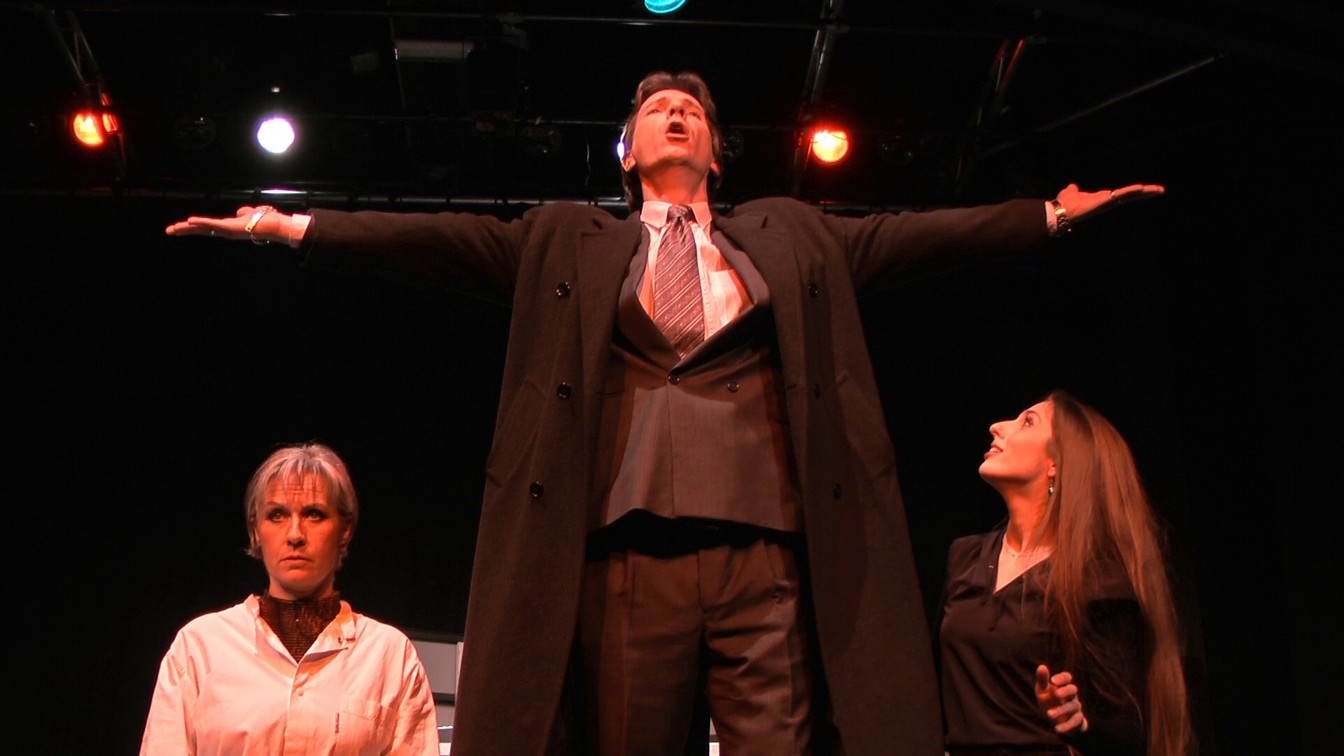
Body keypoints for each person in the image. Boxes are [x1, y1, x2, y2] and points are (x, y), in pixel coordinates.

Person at [164, 70, 1163, 755]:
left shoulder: (792, 237)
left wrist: (1044, 217)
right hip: (628, 554)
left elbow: (918, 238)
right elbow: (433, 240)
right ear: (627, 152)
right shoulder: (567, 241)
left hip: (765, 555)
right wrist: (290, 228)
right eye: (657, 109)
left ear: (718, 155)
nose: (677, 114)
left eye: (692, 110)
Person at [139, 442, 440, 756]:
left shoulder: (389, 655)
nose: (295, 534)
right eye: (277, 515)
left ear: (345, 530)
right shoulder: (200, 646)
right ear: (256, 530)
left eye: (314, 514)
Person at [938, 390, 1192, 755]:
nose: (997, 427)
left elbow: (1129, 731)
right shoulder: (966, 557)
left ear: (1056, 463)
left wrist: (1079, 722)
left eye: (1027, 422)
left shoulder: (1096, 581)